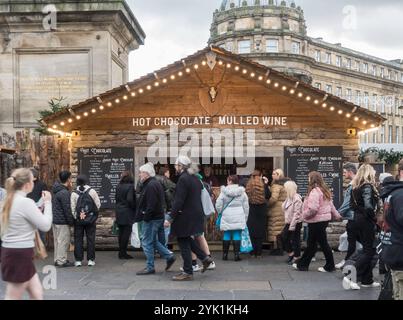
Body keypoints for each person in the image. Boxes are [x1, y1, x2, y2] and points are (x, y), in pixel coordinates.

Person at [0, 168, 53, 300]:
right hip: (19, 254)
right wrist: (47, 202)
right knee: (12, 297)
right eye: (32, 180)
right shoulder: (25, 202)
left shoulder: (8, 200)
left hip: (15, 252)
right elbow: (45, 225)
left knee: (37, 293)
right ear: (27, 184)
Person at [168, 156, 214, 281]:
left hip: (185, 216)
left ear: (181, 166)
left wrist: (170, 217)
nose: (175, 167)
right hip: (195, 215)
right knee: (186, 239)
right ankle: (204, 258)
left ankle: (188, 271)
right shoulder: (195, 178)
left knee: (183, 242)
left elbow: (179, 201)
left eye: (176, 165)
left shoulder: (183, 179)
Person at [294, 171, 342, 272]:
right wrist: (337, 215)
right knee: (312, 244)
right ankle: (302, 264)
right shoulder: (323, 190)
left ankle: (329, 266)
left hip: (316, 221)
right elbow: (331, 206)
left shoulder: (315, 191)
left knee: (321, 243)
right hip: (322, 221)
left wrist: (303, 216)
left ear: (312, 179)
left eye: (308, 177)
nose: (307, 179)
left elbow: (313, 209)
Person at [135, 163, 176, 275]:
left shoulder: (151, 185)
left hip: (152, 218)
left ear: (147, 174)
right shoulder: (153, 183)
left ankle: (150, 267)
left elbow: (151, 204)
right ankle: (169, 256)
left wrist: (146, 217)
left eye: (141, 172)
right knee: (153, 240)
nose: (139, 175)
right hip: (157, 217)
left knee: (146, 241)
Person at [344, 164, 380, 290]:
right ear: (369, 173)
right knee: (369, 251)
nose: (375, 174)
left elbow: (352, 205)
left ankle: (367, 280)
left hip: (357, 219)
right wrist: (374, 218)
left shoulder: (354, 187)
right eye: (373, 172)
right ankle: (350, 277)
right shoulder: (367, 186)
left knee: (367, 249)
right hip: (366, 221)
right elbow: (369, 206)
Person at [380, 170, 403, 300]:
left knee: (397, 293)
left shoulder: (392, 192)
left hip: (392, 249)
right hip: (399, 252)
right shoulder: (401, 194)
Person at [216, 175, 249, 261]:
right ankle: (236, 256)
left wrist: (220, 212)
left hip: (226, 215)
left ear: (230, 181)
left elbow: (218, 204)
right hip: (239, 215)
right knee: (236, 234)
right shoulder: (242, 192)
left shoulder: (224, 192)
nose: (227, 182)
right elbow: (246, 206)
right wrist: (245, 217)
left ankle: (225, 255)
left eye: (228, 180)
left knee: (227, 234)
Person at [71, 175, 101, 267]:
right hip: (90, 220)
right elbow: (98, 204)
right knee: (91, 239)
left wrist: (77, 217)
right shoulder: (92, 191)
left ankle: (78, 260)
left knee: (78, 239)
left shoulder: (74, 193)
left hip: (79, 220)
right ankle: (91, 260)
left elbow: (72, 208)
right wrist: (93, 216)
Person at [336, 163, 358, 269]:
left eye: (345, 172)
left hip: (353, 217)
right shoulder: (358, 183)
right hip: (355, 217)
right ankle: (349, 261)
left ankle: (348, 262)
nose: (344, 174)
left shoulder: (352, 185)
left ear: (350, 172)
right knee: (354, 241)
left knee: (352, 241)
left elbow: (348, 202)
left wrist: (338, 213)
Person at [245, 170, 271, 258]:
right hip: (261, 210)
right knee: (260, 232)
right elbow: (268, 196)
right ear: (260, 176)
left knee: (251, 231)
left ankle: (252, 252)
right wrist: (266, 184)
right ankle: (259, 253)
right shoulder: (263, 185)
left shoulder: (248, 186)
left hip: (251, 209)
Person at [52, 171, 75, 267]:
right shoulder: (64, 192)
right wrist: (71, 222)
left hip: (56, 220)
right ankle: (61, 260)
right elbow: (67, 209)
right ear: (68, 179)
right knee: (63, 241)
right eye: (71, 178)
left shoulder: (57, 190)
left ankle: (57, 259)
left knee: (57, 241)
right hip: (62, 221)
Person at [115, 171, 136, 260]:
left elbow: (116, 198)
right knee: (126, 233)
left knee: (121, 232)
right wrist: (134, 207)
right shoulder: (130, 186)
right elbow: (130, 199)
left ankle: (121, 252)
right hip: (127, 212)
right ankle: (123, 253)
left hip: (119, 211)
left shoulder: (118, 186)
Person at [281, 180, 303, 265]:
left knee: (295, 240)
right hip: (289, 222)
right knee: (283, 237)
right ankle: (291, 253)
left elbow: (296, 214)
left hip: (296, 222)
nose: (284, 189)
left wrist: (292, 226)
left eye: (285, 188)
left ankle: (296, 256)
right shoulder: (289, 198)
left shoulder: (297, 199)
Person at [267, 169, 288, 256]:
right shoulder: (285, 184)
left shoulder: (276, 185)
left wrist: (267, 204)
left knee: (274, 228)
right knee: (279, 228)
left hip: (275, 209)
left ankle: (276, 249)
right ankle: (280, 248)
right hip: (282, 209)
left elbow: (274, 198)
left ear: (279, 175)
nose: (272, 175)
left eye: (274, 174)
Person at [27, 168, 48, 244]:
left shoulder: (42, 184)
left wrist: (40, 207)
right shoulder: (26, 184)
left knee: (40, 233)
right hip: (28, 211)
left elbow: (45, 197)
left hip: (39, 212)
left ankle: (41, 251)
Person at [155, 167, 176, 246]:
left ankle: (157, 248)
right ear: (165, 173)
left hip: (155, 209)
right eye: (168, 173)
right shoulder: (166, 181)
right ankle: (163, 248)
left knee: (156, 230)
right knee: (165, 230)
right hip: (165, 209)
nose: (169, 174)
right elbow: (171, 196)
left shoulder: (153, 180)